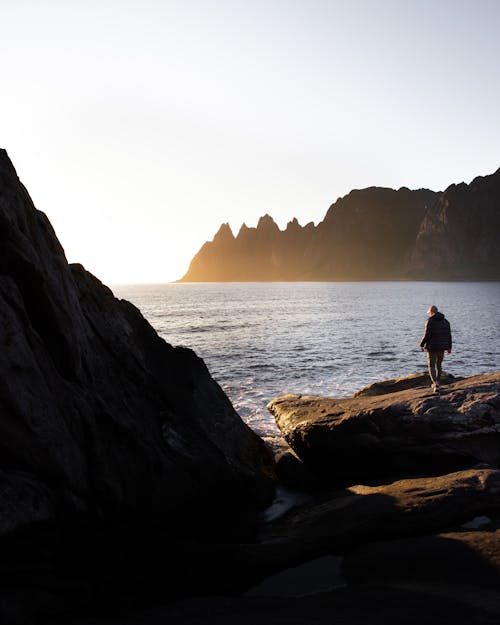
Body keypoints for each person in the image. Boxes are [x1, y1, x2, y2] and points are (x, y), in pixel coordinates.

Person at [420, 305, 452, 393]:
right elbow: (449, 335)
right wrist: (449, 347)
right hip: (442, 347)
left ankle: (435, 383)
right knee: (439, 365)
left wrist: (421, 344)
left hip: (432, 347)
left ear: (431, 312)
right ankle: (438, 382)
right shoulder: (446, 322)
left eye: (429, 313)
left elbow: (427, 335)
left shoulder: (430, 321)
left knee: (431, 366)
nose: (429, 314)